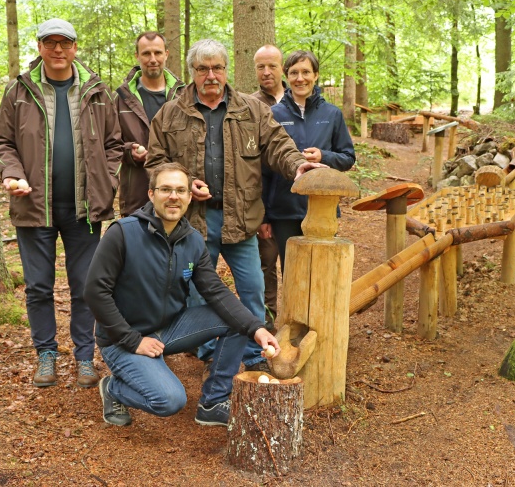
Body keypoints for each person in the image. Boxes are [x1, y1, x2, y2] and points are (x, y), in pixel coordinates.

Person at [145, 39, 325, 373]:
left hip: (241, 219)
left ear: (226, 70)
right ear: (192, 72)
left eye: (217, 68)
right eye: (203, 69)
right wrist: (185, 183)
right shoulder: (170, 113)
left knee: (253, 288)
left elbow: (279, 145)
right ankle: (209, 352)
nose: (211, 76)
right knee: (198, 291)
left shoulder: (251, 110)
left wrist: (297, 165)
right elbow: (155, 161)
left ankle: (256, 354)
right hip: (193, 223)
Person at [84, 163, 280, 427]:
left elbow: (215, 290)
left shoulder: (192, 240)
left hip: (169, 329)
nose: (173, 196)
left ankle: (213, 402)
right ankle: (112, 388)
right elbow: (95, 292)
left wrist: (256, 328)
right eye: (165, 189)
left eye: (180, 190)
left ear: (190, 196)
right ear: (151, 194)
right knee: (169, 401)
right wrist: (133, 340)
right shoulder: (123, 233)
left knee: (238, 322)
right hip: (123, 339)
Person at [0, 18, 123, 389]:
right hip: (34, 207)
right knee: (37, 287)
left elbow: (114, 145)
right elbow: (1, 142)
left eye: (65, 43)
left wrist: (108, 183)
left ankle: (84, 357)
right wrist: (11, 174)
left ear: (75, 47)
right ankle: (46, 354)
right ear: (40, 47)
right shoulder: (19, 91)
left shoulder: (97, 91)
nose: (58, 50)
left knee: (85, 286)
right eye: (51, 43)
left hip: (85, 209)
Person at [265, 50, 356, 266]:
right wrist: (264, 216)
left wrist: (324, 156)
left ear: (316, 75)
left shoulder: (332, 114)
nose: (300, 78)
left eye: (306, 72)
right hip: (284, 209)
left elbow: (347, 157)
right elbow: (264, 167)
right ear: (286, 76)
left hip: (323, 207)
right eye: (294, 73)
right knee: (292, 270)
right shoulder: (273, 114)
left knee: (323, 267)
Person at [114, 32, 185, 216]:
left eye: (157, 53)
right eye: (146, 53)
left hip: (177, 196)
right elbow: (109, 144)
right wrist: (129, 151)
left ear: (166, 54)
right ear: (137, 56)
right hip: (137, 194)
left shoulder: (184, 97)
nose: (152, 59)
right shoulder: (121, 99)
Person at [251, 44, 287, 324]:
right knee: (266, 265)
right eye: (260, 67)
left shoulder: (297, 101)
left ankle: (299, 320)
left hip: (295, 203)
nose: (266, 72)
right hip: (264, 201)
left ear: (281, 67)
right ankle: (267, 323)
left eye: (272, 66)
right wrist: (261, 214)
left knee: (298, 266)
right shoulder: (249, 105)